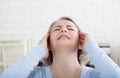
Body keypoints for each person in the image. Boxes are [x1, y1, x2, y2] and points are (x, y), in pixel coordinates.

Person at [1, 17, 120, 78]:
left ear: (80, 43)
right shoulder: (35, 75)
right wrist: (39, 51)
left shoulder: (94, 75)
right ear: (48, 44)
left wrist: (92, 47)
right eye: (57, 29)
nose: (63, 29)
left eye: (70, 28)